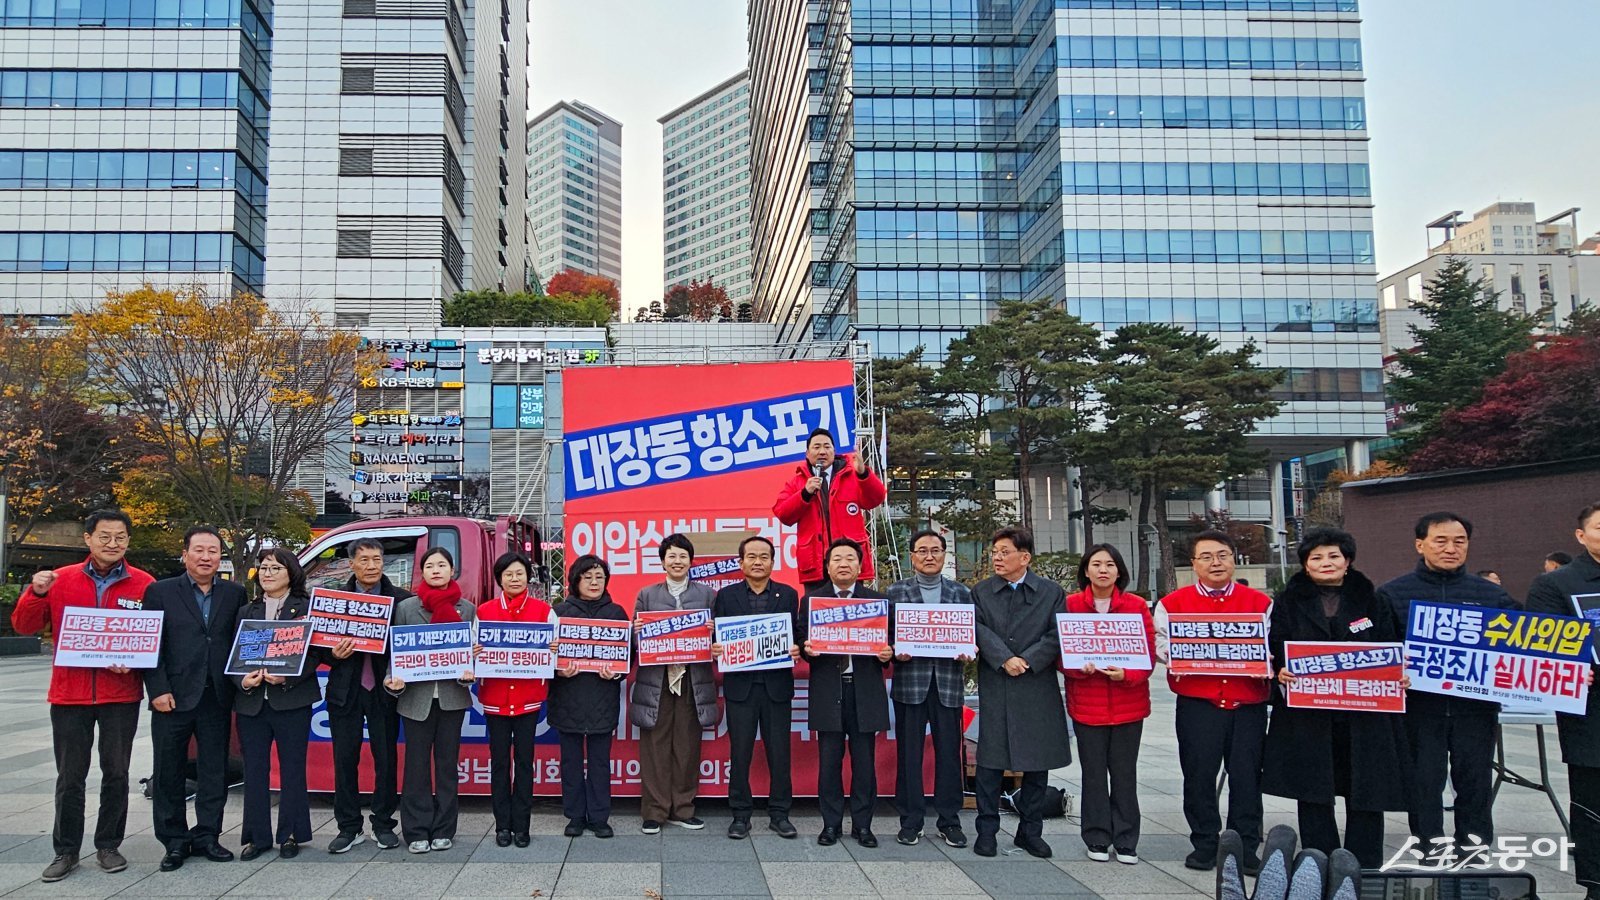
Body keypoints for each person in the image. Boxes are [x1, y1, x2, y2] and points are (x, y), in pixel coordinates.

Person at [11, 509, 154, 883]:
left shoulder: (144, 584)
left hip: (120, 694)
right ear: (87, 539)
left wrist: (135, 664)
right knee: (70, 776)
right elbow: (24, 626)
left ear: (128, 541)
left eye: (120, 537)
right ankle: (66, 850)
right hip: (70, 694)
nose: (113, 544)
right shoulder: (61, 579)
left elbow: (155, 638)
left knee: (117, 773)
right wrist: (35, 592)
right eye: (105, 536)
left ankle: (108, 844)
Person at [1260, 528, 1411, 869]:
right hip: (1309, 715)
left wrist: (1399, 673)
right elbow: (1273, 647)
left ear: (1348, 561)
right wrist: (1279, 671)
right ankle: (1318, 860)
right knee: (1313, 788)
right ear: (1305, 565)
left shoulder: (1373, 599)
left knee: (1367, 788)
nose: (1325, 563)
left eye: (1333, 556)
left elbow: (1393, 646)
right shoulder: (1287, 601)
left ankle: (1364, 861)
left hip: (1364, 715)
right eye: (1316, 557)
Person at [1376, 512, 1518, 854]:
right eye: (1441, 541)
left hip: (1476, 709)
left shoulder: (1491, 596)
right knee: (1424, 782)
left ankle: (1474, 849)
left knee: (1475, 781)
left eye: (1460, 541)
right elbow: (1379, 650)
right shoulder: (1392, 594)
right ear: (1420, 544)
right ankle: (1428, 847)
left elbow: (1525, 647)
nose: (1451, 548)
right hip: (1419, 709)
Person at [1154, 529, 1274, 873]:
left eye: (1222, 555)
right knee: (1198, 775)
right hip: (1198, 704)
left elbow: (1273, 647)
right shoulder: (1173, 604)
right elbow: (1160, 643)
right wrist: (1179, 655)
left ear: (1234, 559)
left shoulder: (1260, 604)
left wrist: (1262, 664)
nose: (1215, 562)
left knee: (1247, 777)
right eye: (1206, 557)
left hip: (1247, 704)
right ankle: (1204, 843)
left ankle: (1245, 846)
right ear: (1193, 564)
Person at [142, 525, 245, 871]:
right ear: (185, 554)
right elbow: (150, 645)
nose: (206, 557)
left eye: (213, 551)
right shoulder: (159, 592)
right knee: (168, 772)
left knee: (214, 771)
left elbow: (240, 641)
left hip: (217, 696)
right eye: (199, 550)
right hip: (172, 697)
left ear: (220, 556)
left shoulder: (235, 593)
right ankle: (174, 841)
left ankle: (207, 836)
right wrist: (157, 689)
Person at [971, 526, 1070, 859]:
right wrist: (1003, 659)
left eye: (1004, 552)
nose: (997, 558)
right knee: (989, 762)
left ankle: (1030, 831)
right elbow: (978, 628)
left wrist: (1027, 660)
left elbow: (1058, 633)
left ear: (1024, 557)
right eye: (994, 551)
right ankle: (986, 831)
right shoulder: (982, 592)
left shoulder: (1050, 592)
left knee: (1036, 762)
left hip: (1035, 684)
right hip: (997, 682)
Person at [1526, 502, 1600, 900]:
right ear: (1581, 536)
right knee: (1594, 806)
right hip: (1592, 713)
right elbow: (1543, 648)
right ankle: (1596, 884)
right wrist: (1572, 669)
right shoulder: (1556, 585)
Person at [1063, 543, 1153, 866]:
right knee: (1094, 775)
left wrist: (1127, 673)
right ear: (1086, 570)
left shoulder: (1136, 606)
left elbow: (1149, 655)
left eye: (1110, 564)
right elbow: (1061, 653)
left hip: (1129, 706)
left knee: (1125, 774)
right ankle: (1097, 837)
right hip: (1087, 706)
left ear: (1119, 571)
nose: (1103, 570)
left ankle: (1127, 840)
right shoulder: (1070, 606)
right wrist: (1078, 668)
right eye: (1097, 564)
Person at [801, 538, 894, 848]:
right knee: (829, 762)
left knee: (864, 763)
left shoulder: (877, 602)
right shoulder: (813, 601)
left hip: (865, 691)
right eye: (837, 558)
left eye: (850, 558)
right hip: (829, 691)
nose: (843, 563)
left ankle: (863, 826)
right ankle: (831, 825)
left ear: (860, 566)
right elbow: (802, 642)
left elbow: (891, 645)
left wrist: (887, 654)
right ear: (827, 567)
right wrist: (807, 649)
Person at [711, 535, 802, 840]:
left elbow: (797, 634)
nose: (758, 561)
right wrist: (717, 649)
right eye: (752, 556)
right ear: (741, 563)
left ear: (773, 562)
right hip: (741, 688)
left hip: (777, 687)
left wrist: (796, 647)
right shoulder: (725, 596)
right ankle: (740, 814)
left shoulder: (789, 595)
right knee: (740, 752)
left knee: (780, 753)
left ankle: (780, 814)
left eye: (764, 556)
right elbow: (718, 638)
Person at [385, 547, 476, 854]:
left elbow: (473, 654)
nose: (436, 570)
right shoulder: (408, 608)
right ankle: (415, 830)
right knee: (416, 767)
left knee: (447, 766)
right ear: (421, 572)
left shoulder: (467, 609)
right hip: (415, 699)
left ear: (453, 570)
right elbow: (396, 651)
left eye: (442, 565)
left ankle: (444, 829)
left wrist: (469, 672)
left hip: (452, 698)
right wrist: (392, 680)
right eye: (430, 565)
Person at [885, 529, 971, 849]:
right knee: (909, 755)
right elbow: (886, 638)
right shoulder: (895, 592)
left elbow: (970, 634)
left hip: (948, 684)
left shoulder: (961, 592)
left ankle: (949, 820)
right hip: (911, 683)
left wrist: (967, 649)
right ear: (912, 557)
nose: (929, 556)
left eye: (936, 550)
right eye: (922, 551)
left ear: (945, 554)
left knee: (950, 755)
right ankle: (911, 821)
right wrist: (897, 650)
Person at [325, 537, 411, 853]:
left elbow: (409, 647)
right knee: (344, 759)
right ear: (351, 564)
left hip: (384, 691)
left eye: (377, 559)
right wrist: (333, 653)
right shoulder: (333, 600)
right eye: (364, 560)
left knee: (385, 759)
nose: (371, 566)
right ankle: (348, 827)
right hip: (345, 692)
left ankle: (383, 824)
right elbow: (318, 648)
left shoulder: (401, 600)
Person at [233, 547, 320, 861]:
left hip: (292, 701)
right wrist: (242, 681)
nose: (268, 574)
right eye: (264, 568)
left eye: (275, 568)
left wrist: (288, 677)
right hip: (252, 703)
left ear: (291, 573)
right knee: (255, 771)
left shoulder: (307, 608)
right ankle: (257, 836)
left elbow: (316, 654)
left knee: (293, 769)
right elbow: (232, 658)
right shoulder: (246, 611)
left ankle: (292, 834)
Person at [629, 534, 719, 834]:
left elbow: (720, 639)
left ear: (691, 561)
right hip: (657, 681)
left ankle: (683, 808)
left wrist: (713, 631)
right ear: (663, 561)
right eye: (671, 556)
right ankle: (654, 811)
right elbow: (632, 644)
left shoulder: (708, 595)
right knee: (654, 746)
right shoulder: (647, 594)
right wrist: (636, 630)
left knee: (687, 746)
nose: (677, 561)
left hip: (694, 680)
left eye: (682, 556)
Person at [476, 551, 557, 848]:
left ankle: (522, 826)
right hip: (496, 699)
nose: (514, 579)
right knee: (499, 764)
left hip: (529, 699)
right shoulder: (484, 612)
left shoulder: (544, 611)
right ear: (499, 578)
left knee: (525, 763)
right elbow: (473, 653)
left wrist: (553, 649)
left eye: (519, 573)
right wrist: (473, 653)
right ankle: (502, 826)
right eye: (508, 574)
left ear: (528, 577)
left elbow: (555, 653)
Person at [548, 554, 628, 839]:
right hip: (567, 698)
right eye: (588, 577)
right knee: (569, 762)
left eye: (600, 577)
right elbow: (545, 657)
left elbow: (625, 659)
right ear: (575, 580)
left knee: (599, 762)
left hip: (602, 699)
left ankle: (599, 817)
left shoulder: (617, 613)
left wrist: (615, 673)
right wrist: (558, 670)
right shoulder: (558, 613)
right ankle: (574, 816)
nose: (594, 583)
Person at [773, 427, 887, 590]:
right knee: (817, 610)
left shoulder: (852, 475)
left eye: (827, 447)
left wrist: (863, 474)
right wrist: (805, 493)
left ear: (834, 451)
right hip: (816, 564)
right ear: (807, 453)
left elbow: (876, 499)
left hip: (847, 561)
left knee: (850, 609)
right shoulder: (798, 481)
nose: (822, 451)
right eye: (816, 447)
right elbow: (782, 513)